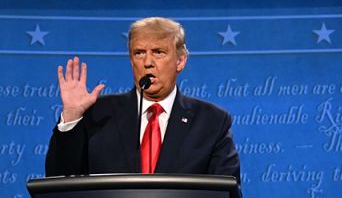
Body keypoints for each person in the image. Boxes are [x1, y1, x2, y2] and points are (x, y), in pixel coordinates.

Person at [45, 17, 240, 182]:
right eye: (139, 53)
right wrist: (71, 117)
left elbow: (225, 197)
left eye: (158, 52)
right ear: (131, 60)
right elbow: (60, 181)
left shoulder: (211, 122)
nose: (148, 62)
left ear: (180, 61)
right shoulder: (98, 114)